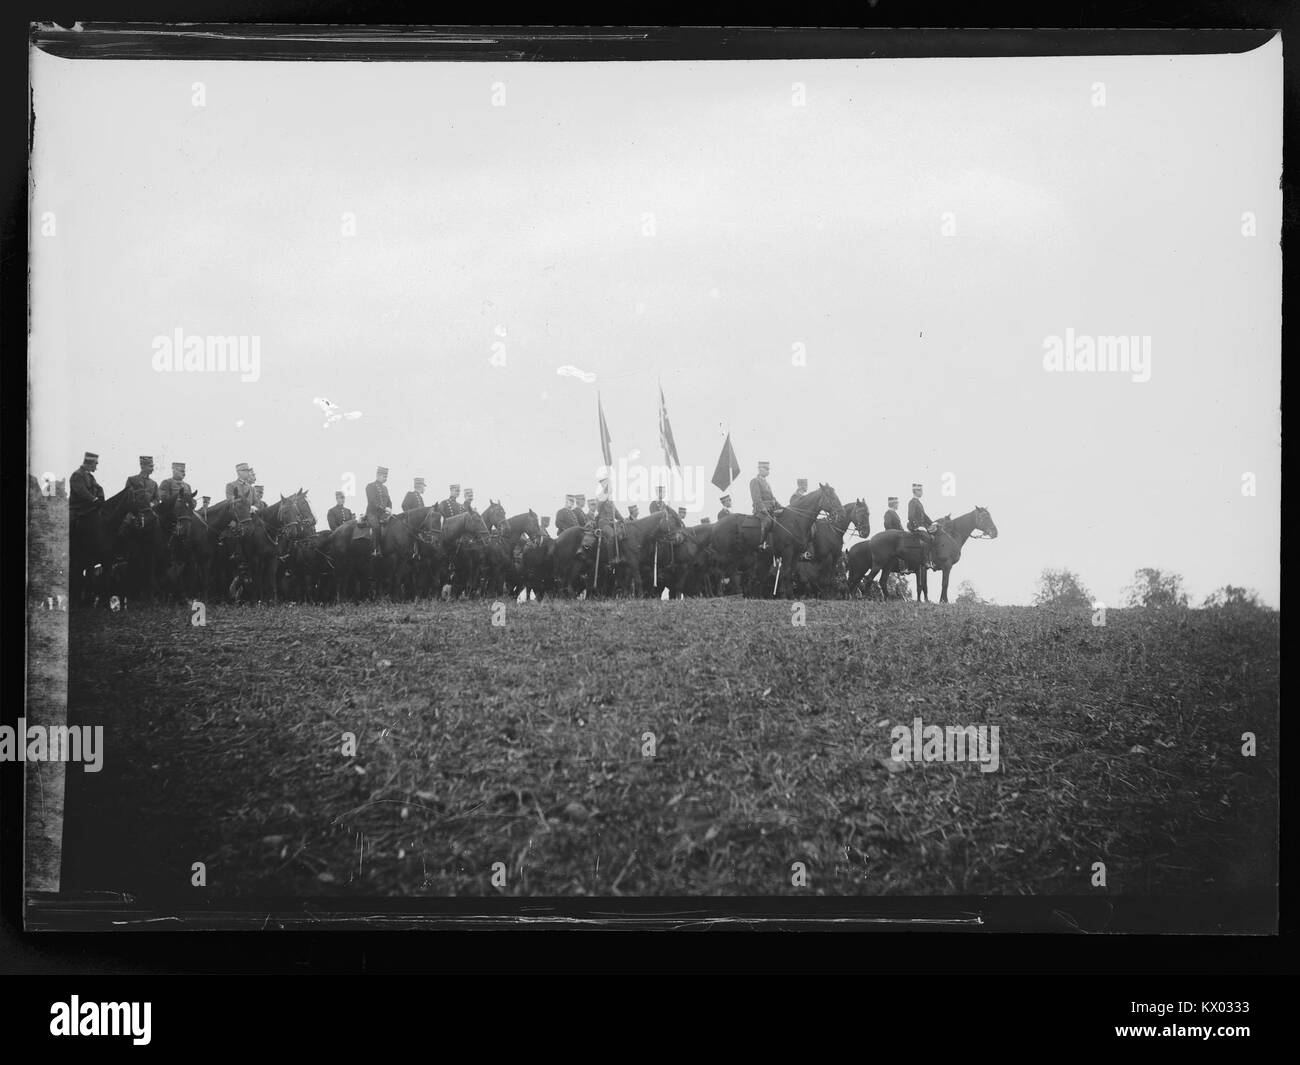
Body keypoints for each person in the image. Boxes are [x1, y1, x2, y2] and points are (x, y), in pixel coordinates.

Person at [68, 451, 105, 522]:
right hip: (78, 511)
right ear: (90, 463)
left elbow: (99, 488)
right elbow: (81, 491)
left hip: (88, 509)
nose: (96, 466)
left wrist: (101, 498)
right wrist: (94, 499)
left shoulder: (90, 477)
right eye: (95, 464)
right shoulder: (77, 475)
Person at [365, 466, 393, 557]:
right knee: (376, 527)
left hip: (383, 514)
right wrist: (384, 508)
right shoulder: (370, 486)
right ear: (377, 475)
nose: (385, 478)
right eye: (383, 476)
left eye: (386, 476)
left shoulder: (385, 488)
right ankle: (374, 550)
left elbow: (389, 501)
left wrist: (389, 509)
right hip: (372, 513)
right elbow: (372, 501)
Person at [907, 482, 936, 569]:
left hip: (922, 526)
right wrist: (917, 526)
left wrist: (932, 523)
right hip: (915, 526)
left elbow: (924, 515)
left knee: (934, 535)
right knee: (928, 538)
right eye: (920, 491)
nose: (922, 492)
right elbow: (910, 516)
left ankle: (932, 560)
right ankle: (925, 561)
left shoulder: (918, 502)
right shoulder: (912, 502)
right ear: (915, 491)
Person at [750, 460, 776, 548]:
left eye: (768, 469)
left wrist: (781, 506)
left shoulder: (767, 483)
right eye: (766, 469)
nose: (768, 471)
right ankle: (761, 543)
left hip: (771, 509)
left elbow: (772, 498)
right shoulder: (755, 481)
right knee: (767, 521)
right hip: (761, 510)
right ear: (760, 469)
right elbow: (756, 498)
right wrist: (763, 508)